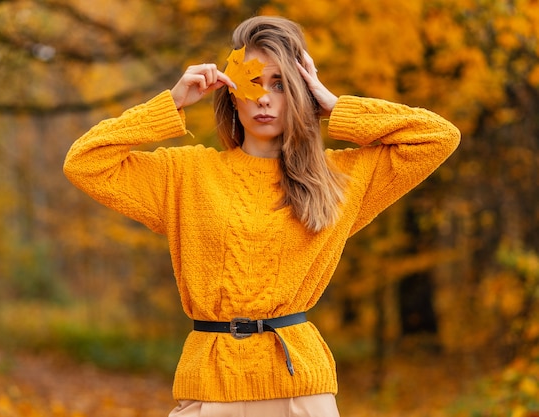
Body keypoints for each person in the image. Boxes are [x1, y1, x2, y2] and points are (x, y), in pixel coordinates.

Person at [63, 15, 460, 417]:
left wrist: (333, 104)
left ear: (300, 92)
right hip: (209, 385)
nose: (265, 99)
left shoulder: (338, 179)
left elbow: (437, 137)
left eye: (280, 84)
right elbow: (85, 162)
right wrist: (171, 103)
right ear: (231, 93)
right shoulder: (186, 175)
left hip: (299, 389)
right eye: (253, 84)